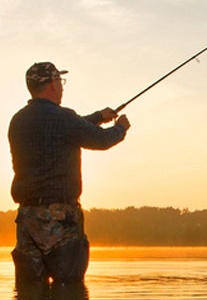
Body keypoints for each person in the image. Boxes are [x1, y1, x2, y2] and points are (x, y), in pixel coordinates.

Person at [8, 62, 130, 284]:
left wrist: (98, 116)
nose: (62, 87)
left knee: (29, 297)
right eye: (60, 81)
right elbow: (100, 139)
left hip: (27, 219)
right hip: (60, 218)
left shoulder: (18, 121)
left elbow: (60, 129)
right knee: (69, 291)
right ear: (52, 84)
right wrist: (121, 128)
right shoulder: (63, 118)